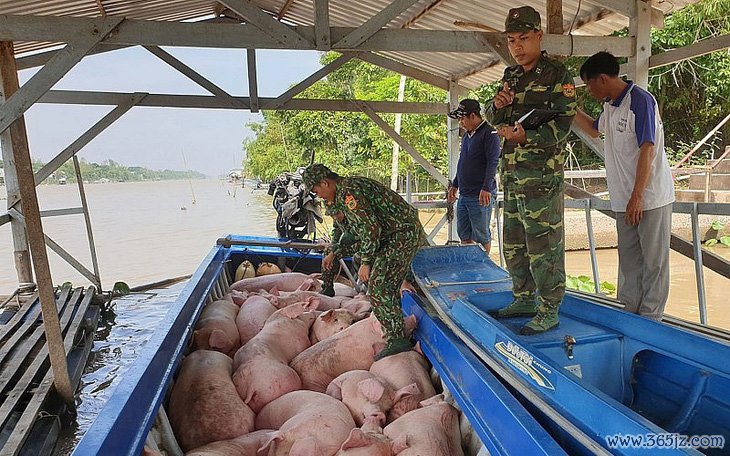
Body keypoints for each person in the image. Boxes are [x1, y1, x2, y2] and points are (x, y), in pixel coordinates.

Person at [485, 6, 576, 335]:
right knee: (514, 242)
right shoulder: (510, 76)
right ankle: (523, 297)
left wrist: (529, 136)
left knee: (544, 244)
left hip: (541, 178)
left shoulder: (557, 75)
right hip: (511, 175)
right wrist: (494, 108)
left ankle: (549, 307)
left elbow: (564, 125)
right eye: (511, 40)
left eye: (524, 38)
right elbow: (493, 119)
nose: (517, 46)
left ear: (539, 36)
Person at [573, 52, 674, 320]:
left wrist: (637, 196)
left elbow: (648, 148)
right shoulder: (610, 105)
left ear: (602, 79)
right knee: (629, 260)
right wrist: (569, 106)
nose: (589, 90)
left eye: (589, 84)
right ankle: (629, 312)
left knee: (654, 261)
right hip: (623, 197)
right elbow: (595, 129)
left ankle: (652, 318)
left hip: (650, 197)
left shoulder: (640, 101)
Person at [303, 164, 427, 359]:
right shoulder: (343, 192)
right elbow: (358, 231)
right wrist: (336, 250)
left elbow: (370, 229)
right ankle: (393, 326)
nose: (317, 195)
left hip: (401, 234)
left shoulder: (349, 193)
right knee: (381, 283)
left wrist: (366, 262)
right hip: (390, 235)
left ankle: (398, 339)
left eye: (316, 190)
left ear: (325, 183)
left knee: (379, 285)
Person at [447, 99, 501, 253]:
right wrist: (455, 184)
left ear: (473, 116)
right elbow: (462, 163)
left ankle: (482, 269)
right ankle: (469, 266)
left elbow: (493, 162)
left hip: (480, 194)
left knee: (481, 236)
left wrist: (486, 188)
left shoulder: (490, 133)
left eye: (462, 118)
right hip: (464, 193)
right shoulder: (466, 137)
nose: (461, 122)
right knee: (464, 234)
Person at [320, 201, 359, 297]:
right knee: (328, 251)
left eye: (337, 214)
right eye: (332, 215)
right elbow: (337, 233)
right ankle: (327, 288)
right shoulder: (336, 219)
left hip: (361, 244)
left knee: (358, 257)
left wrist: (333, 252)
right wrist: (332, 247)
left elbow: (350, 237)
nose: (335, 217)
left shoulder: (355, 217)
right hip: (347, 245)